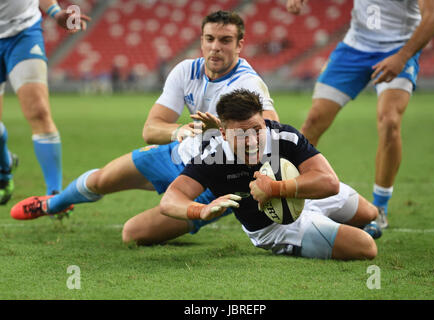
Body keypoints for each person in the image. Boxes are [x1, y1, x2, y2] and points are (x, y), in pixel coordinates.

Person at [11, 11, 279, 244]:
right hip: (179, 154)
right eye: (209, 39)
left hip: (215, 176)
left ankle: (201, 215)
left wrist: (220, 132)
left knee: (132, 234)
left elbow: (274, 137)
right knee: (101, 179)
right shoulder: (186, 71)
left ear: (240, 45)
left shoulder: (248, 84)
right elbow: (151, 128)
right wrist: (179, 132)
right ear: (201, 41)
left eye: (225, 40)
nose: (215, 47)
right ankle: (52, 204)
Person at [159, 89, 378, 260]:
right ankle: (320, 231)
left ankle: (326, 224)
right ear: (224, 134)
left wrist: (274, 189)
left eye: (256, 129)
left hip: (302, 195)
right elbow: (171, 199)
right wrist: (200, 210)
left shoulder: (283, 135)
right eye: (242, 134)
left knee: (370, 213)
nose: (252, 142)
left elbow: (330, 183)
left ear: (263, 122)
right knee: (365, 246)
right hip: (275, 227)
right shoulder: (214, 155)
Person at [286, 0, 434, 229]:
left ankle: (379, 208)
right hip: (355, 47)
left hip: (399, 48)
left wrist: (402, 57)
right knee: (312, 122)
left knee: (389, 122)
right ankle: (290, 197)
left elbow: (433, 15)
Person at [0, 0, 90, 204]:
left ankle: (55, 195)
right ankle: (5, 169)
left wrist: (55, 12)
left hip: (23, 33)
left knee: (38, 111)